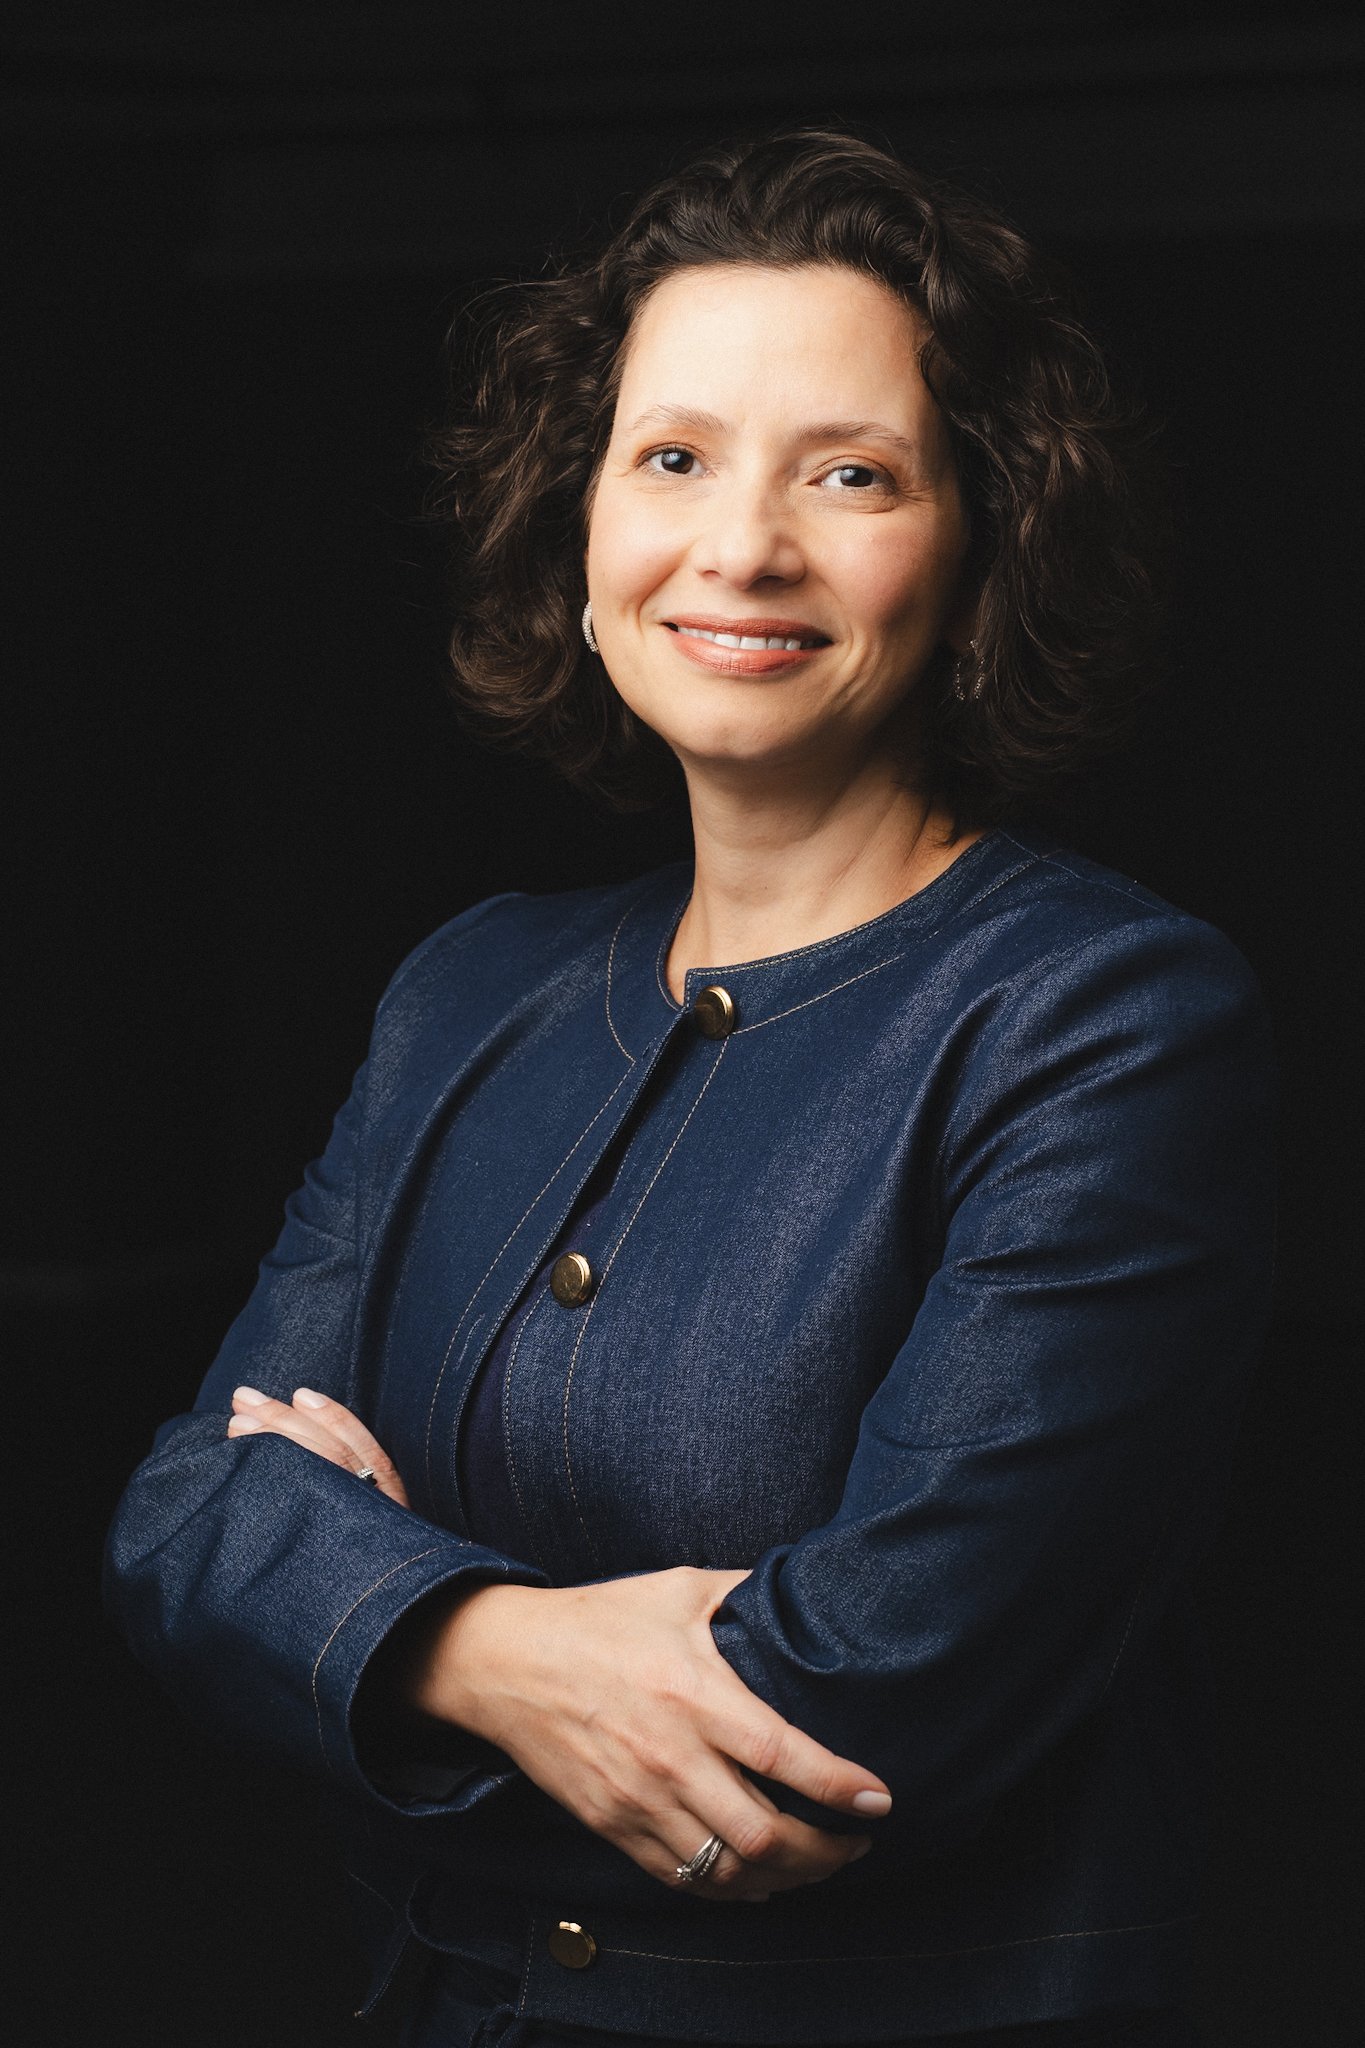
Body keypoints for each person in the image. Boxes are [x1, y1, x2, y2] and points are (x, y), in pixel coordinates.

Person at [105, 129, 1275, 2048]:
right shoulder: (467, 988)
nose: (742, 546)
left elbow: (854, 1716)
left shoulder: (1105, 1018)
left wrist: (373, 1634)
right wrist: (501, 1648)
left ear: (979, 549)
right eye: (672, 458)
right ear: (578, 532)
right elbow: (183, 1527)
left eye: (850, 472)